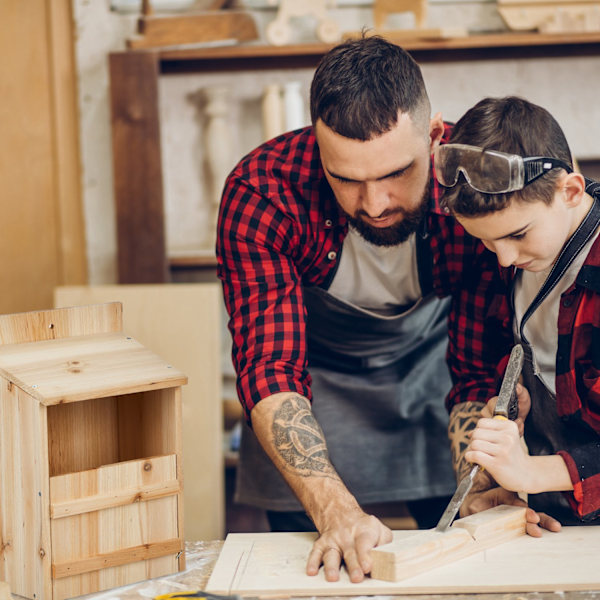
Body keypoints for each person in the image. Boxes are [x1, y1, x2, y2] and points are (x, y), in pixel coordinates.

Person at [216, 36, 506, 583]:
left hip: (431, 370)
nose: (373, 204)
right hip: (313, 385)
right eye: (346, 178)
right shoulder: (262, 191)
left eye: (395, 173)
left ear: (435, 137)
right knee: (316, 574)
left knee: (459, 561)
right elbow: (271, 365)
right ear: (317, 148)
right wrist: (335, 509)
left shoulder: (475, 184)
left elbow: (476, 368)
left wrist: (483, 484)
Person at [437, 96, 600, 530]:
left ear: (570, 191)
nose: (504, 259)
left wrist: (533, 473)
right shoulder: (509, 260)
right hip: (559, 520)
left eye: (517, 235)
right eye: (487, 242)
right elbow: (474, 376)